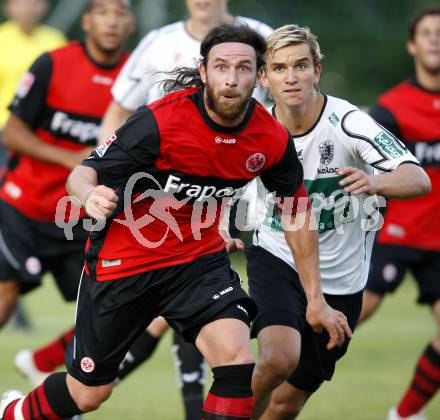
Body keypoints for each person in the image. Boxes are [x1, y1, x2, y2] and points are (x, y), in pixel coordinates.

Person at [0, 23, 350, 420]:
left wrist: (316, 298)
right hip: (126, 263)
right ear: (204, 72)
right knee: (88, 395)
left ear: (260, 76)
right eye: (221, 67)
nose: (231, 79)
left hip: (197, 264)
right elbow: (84, 171)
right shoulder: (161, 121)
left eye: (243, 68)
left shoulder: (270, 138)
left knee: (236, 362)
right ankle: (14, 412)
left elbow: (297, 213)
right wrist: (89, 195)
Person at [241, 24, 431, 419]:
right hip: (277, 253)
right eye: (279, 68)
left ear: (317, 71)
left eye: (301, 65)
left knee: (286, 402)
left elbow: (418, 178)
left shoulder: (348, 122)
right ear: (264, 77)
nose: (290, 77)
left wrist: (375, 181)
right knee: (276, 358)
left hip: (341, 279)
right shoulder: (252, 126)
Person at [98, 1, 273, 418]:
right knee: (174, 315)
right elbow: (119, 110)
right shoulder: (158, 43)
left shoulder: (261, 35)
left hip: (230, 194)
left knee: (204, 319)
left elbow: (273, 118)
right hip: (157, 207)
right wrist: (107, 177)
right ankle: (87, 382)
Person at [0, 0, 133, 383]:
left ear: (130, 23)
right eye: (103, 12)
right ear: (87, 20)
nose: (111, 21)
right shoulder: (53, 63)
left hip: (80, 219)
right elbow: (12, 132)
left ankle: (43, 364)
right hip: (22, 206)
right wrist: (69, 159)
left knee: (112, 308)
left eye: (120, 13)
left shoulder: (135, 77)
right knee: (6, 296)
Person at [357, 7, 440, 420]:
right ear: (412, 44)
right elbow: (374, 170)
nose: (435, 40)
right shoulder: (391, 108)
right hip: (396, 234)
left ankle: (404, 415)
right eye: (427, 33)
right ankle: (279, 370)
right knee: (347, 318)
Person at [0, 0, 66, 168]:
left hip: (40, 130)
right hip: (4, 125)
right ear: (8, 7)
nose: (29, 8)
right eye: (22, 2)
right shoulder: (2, 38)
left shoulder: (56, 39)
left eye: (35, 2)